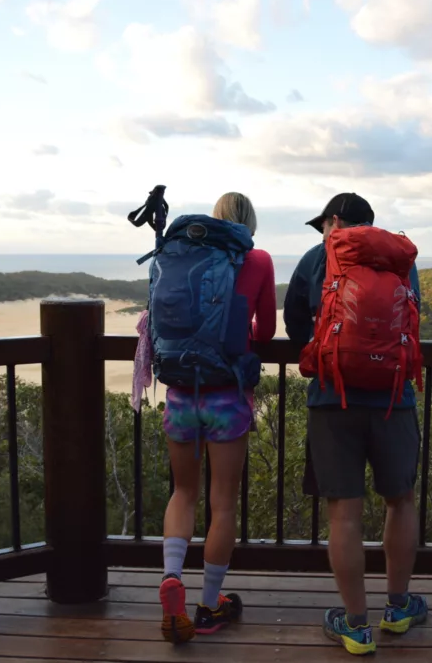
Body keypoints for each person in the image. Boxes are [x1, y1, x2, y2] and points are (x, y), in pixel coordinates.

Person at [284, 192, 428, 656]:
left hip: (333, 398)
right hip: (394, 400)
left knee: (344, 513)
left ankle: (356, 627)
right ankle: (400, 607)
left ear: (332, 221)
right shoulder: (399, 260)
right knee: (400, 501)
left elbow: (293, 326)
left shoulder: (315, 258)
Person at [158, 191, 276, 643]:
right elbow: (264, 331)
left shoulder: (183, 255)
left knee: (184, 491)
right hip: (226, 394)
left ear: (215, 219)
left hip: (181, 391)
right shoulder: (258, 259)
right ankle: (208, 605)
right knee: (222, 501)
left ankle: (172, 579)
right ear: (249, 221)